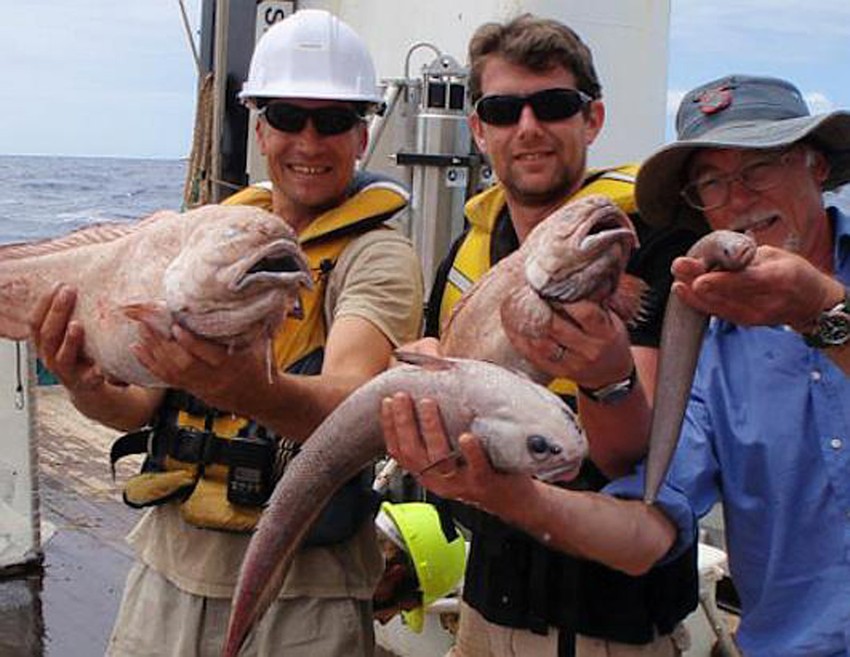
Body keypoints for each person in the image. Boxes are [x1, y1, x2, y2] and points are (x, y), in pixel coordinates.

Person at [30, 9, 423, 657]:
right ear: (259, 127)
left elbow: (359, 407)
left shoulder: (377, 255)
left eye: (332, 120)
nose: (308, 140)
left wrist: (250, 390)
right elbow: (133, 405)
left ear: (362, 133)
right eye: (287, 117)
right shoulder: (206, 236)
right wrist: (80, 381)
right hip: (166, 563)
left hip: (306, 589)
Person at [381, 14, 699, 657]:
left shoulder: (649, 242)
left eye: (553, 105)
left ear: (593, 119)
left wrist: (604, 376)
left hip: (613, 626)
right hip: (485, 602)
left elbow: (629, 458)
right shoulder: (466, 256)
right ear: (478, 130)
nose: (527, 128)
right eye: (502, 110)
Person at [633, 74, 850, 657]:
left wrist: (823, 314)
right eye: (711, 182)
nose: (737, 199)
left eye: (760, 167)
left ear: (816, 165)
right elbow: (657, 506)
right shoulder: (707, 348)